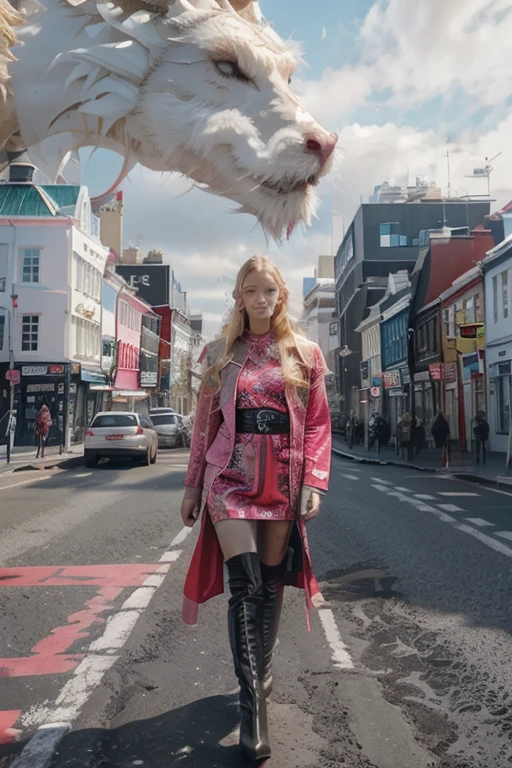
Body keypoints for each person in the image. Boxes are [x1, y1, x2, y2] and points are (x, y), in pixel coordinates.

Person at [180, 255, 331, 766]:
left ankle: (261, 672)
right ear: (239, 298)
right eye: (251, 290)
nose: (260, 299)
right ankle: (253, 712)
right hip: (231, 480)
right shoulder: (219, 355)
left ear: (280, 296)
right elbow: (204, 427)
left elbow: (316, 424)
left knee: (269, 587)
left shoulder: (305, 354)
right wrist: (193, 487)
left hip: (283, 481)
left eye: (269, 290)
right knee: (244, 588)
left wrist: (314, 481)